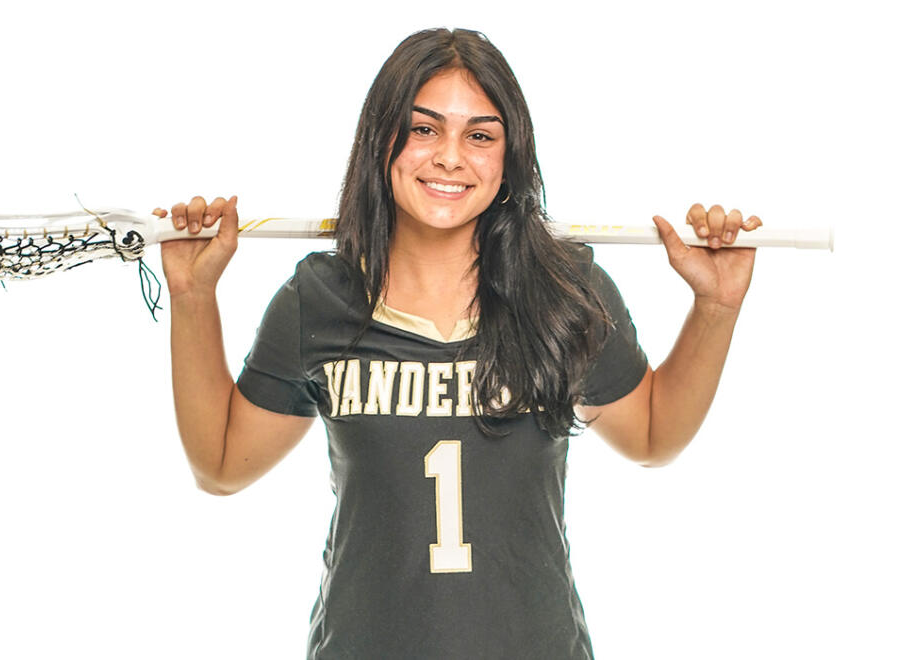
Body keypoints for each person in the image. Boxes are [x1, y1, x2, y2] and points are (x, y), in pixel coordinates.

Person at [153, 27, 761, 660]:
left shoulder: (564, 291)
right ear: (381, 140)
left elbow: (653, 438)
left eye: (479, 136)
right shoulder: (322, 299)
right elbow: (220, 467)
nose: (449, 157)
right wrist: (193, 296)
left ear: (510, 155)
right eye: (423, 129)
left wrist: (716, 306)